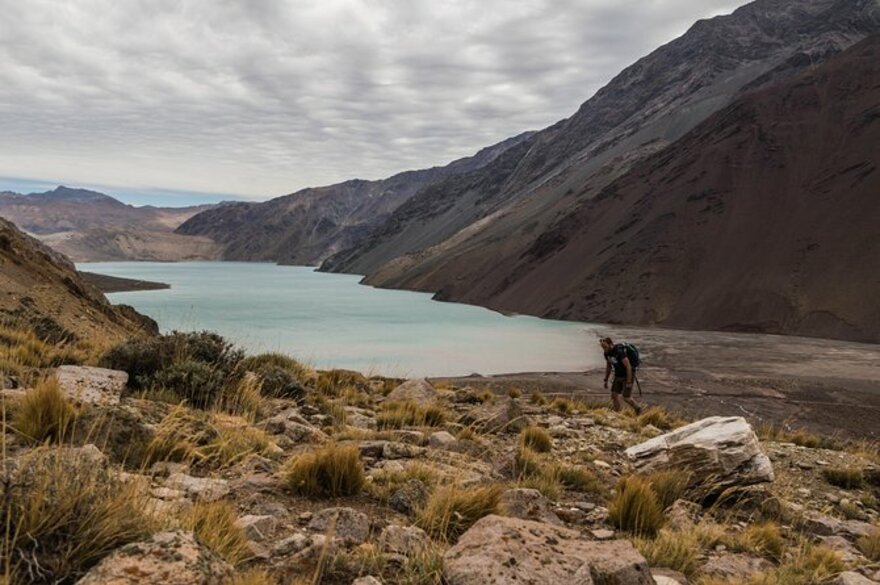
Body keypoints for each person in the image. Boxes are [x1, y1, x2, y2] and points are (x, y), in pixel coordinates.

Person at [600, 337, 642, 414]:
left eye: (605, 347)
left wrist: (628, 381)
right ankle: (618, 413)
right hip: (618, 375)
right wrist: (606, 379)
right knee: (614, 395)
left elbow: (628, 366)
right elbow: (608, 366)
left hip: (627, 375)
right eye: (602, 347)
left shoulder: (619, 351)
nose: (604, 349)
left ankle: (638, 408)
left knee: (626, 397)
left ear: (610, 344)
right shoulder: (607, 353)